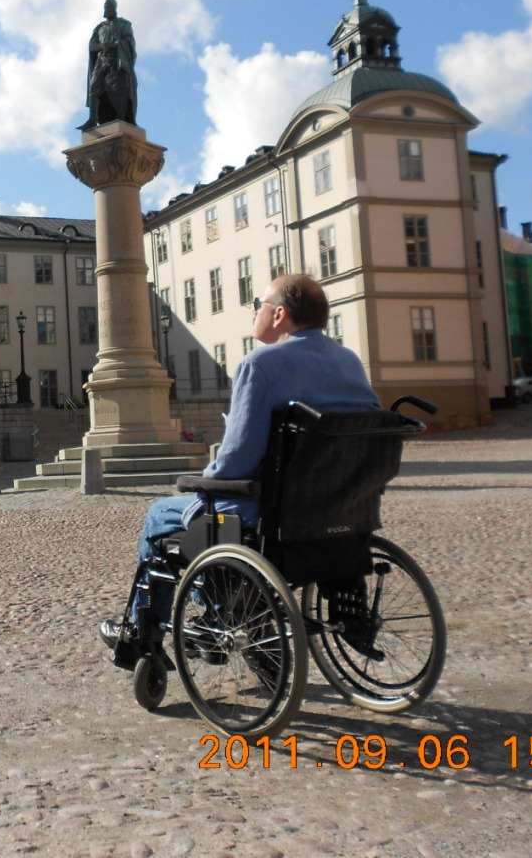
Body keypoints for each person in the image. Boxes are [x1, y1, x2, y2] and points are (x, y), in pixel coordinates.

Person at [99, 274, 379, 653]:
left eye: (258, 305)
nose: (254, 312)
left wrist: (203, 482)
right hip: (342, 513)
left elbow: (236, 461)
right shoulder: (349, 362)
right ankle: (235, 625)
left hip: (271, 512)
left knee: (159, 516)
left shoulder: (261, 364)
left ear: (279, 314)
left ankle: (144, 637)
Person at [84, 0, 137, 129]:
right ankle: (92, 118)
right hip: (102, 60)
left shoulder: (124, 24)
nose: (106, 9)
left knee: (118, 88)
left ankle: (121, 117)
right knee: (94, 87)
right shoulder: (99, 28)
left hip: (117, 60)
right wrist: (103, 47)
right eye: (105, 7)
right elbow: (92, 45)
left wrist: (115, 44)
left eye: (109, 6)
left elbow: (129, 42)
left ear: (114, 8)